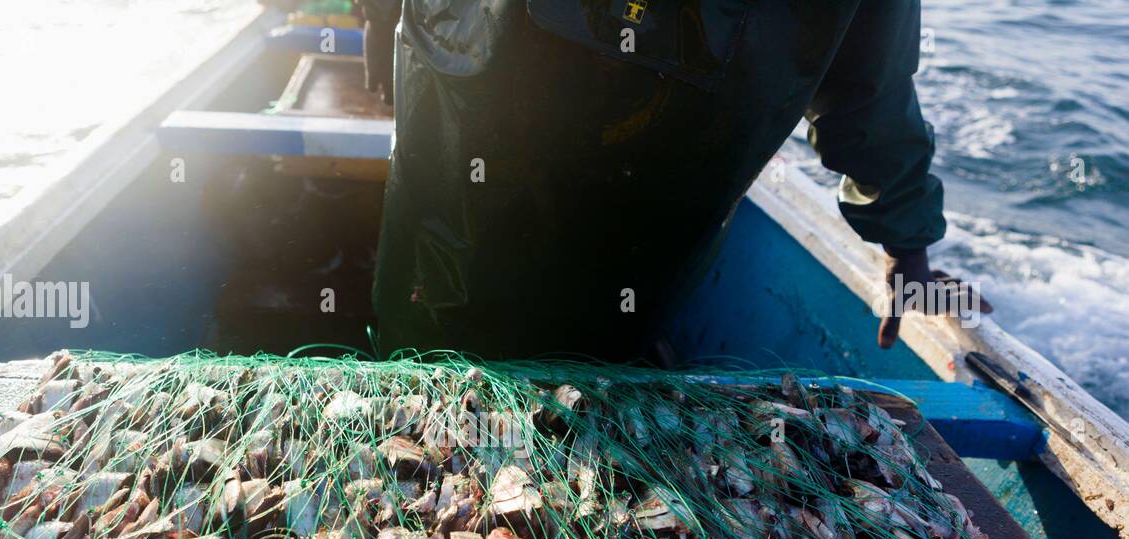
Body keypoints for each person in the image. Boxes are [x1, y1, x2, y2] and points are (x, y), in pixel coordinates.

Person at [367, 0, 989, 361]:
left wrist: (908, 243)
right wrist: (906, 246)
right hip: (546, 244)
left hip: (527, 251)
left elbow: (867, 86)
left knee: (447, 381)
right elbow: (868, 95)